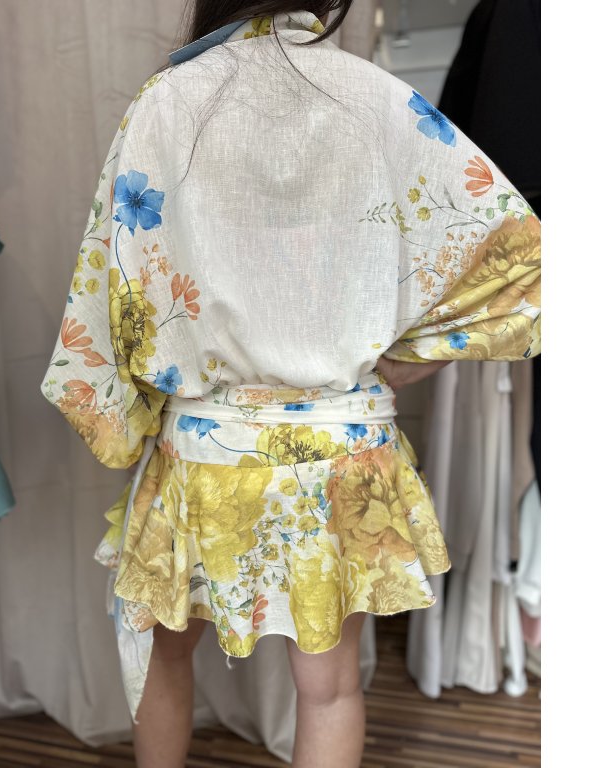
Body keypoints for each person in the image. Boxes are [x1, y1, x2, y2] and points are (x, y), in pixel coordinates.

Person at [39, 2, 540, 766]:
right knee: (329, 687)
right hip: (343, 451)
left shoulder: (167, 102)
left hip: (207, 445)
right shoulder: (378, 100)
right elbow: (517, 260)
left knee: (164, 653)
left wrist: (126, 415)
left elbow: (113, 285)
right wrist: (408, 362)